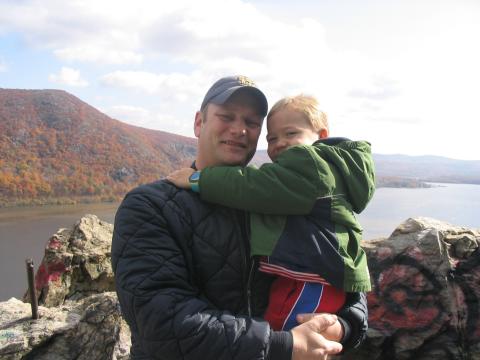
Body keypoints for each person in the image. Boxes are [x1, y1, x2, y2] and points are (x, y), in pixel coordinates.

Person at [111, 76, 368, 360]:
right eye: (226, 116)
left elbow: (342, 270)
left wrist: (342, 327)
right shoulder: (151, 206)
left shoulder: (278, 200)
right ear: (199, 123)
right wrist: (284, 345)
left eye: (252, 122)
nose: (239, 129)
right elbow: (161, 323)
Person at [167, 94, 374, 334]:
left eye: (291, 134)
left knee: (293, 333)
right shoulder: (152, 204)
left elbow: (253, 186)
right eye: (272, 138)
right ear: (199, 122)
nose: (280, 143)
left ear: (322, 136)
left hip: (316, 278)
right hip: (314, 275)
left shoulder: (312, 164)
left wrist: (197, 179)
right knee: (283, 329)